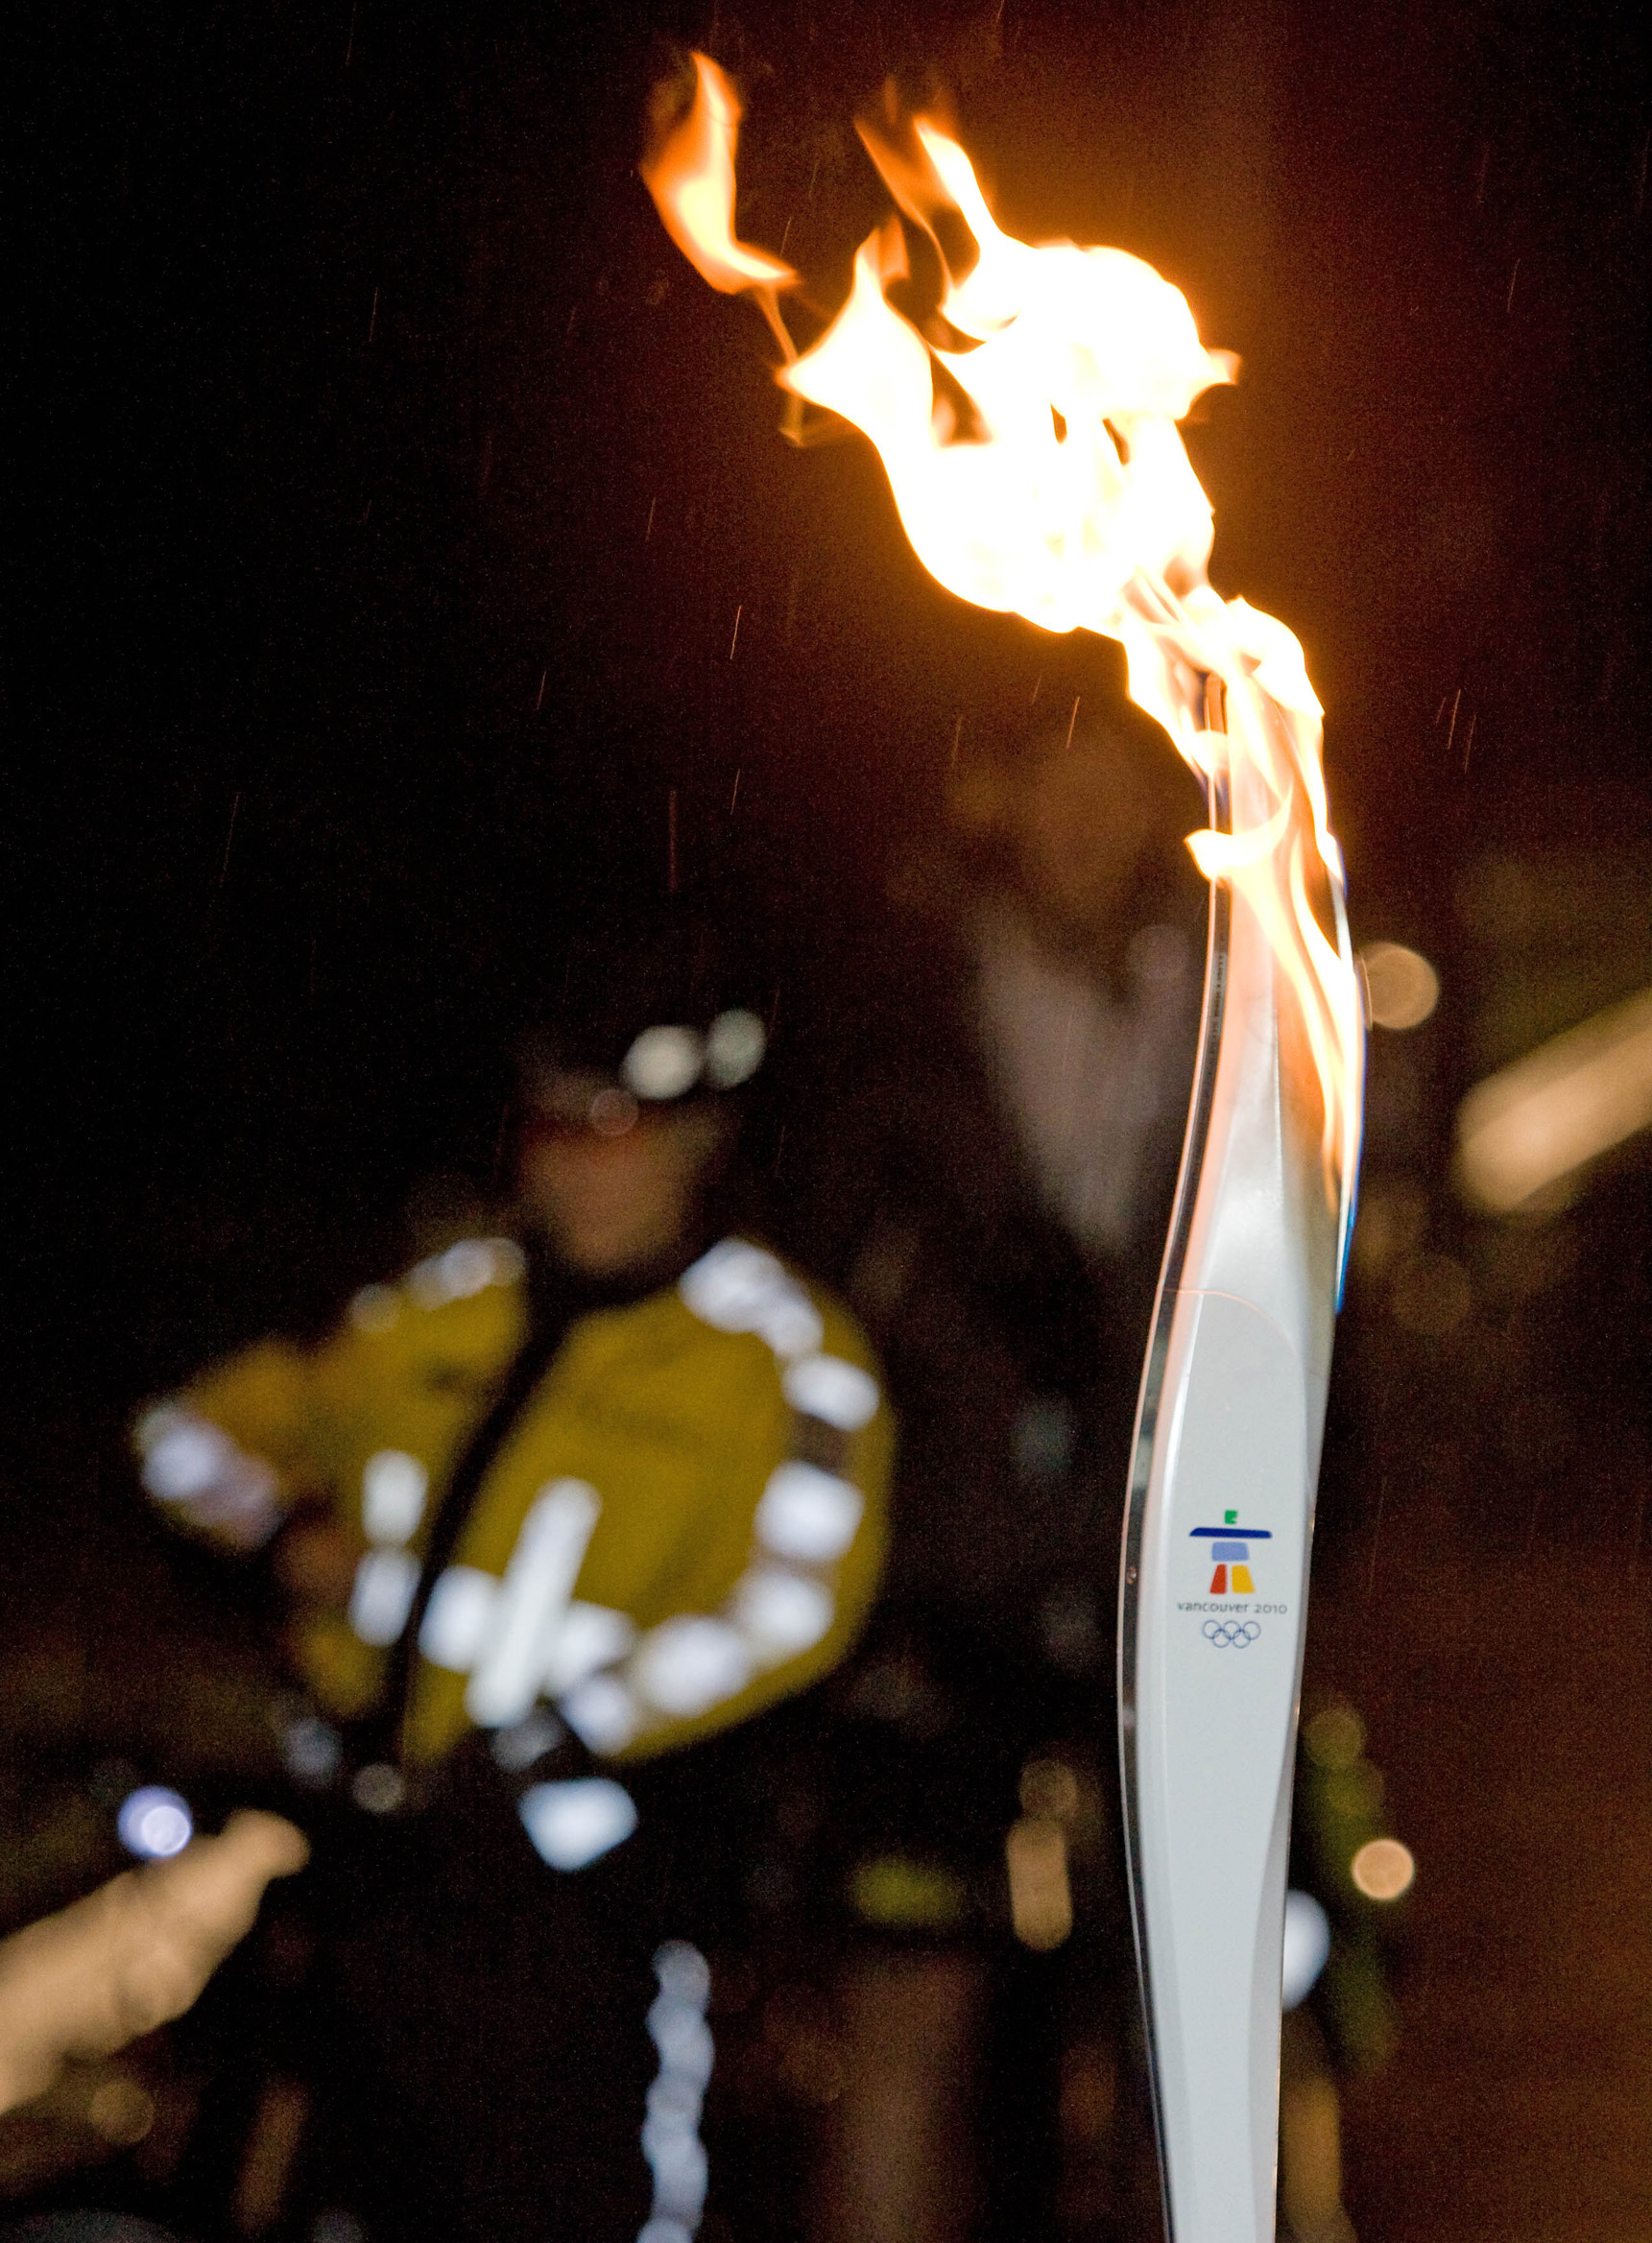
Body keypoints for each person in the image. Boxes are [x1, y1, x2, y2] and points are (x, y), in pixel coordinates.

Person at [130, 921, 893, 2243]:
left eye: (625, 1128)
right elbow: (183, 1436)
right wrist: (279, 1532)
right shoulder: (444, 1302)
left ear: (702, 1138)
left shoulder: (785, 1354)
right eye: (557, 1129)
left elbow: (790, 1605)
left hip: (583, 1887)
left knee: (570, 2200)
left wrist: (564, 1740)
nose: (588, 1166)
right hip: (365, 1843)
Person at [788, 704, 1207, 2243]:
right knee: (913, 2019)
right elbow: (816, 1310)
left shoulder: (1242, 983)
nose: (1088, 818)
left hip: (1165, 1591)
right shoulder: (902, 1004)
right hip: (938, 1596)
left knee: (1203, 2031)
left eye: (1119, 787)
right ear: (1002, 796)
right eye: (1059, 783)